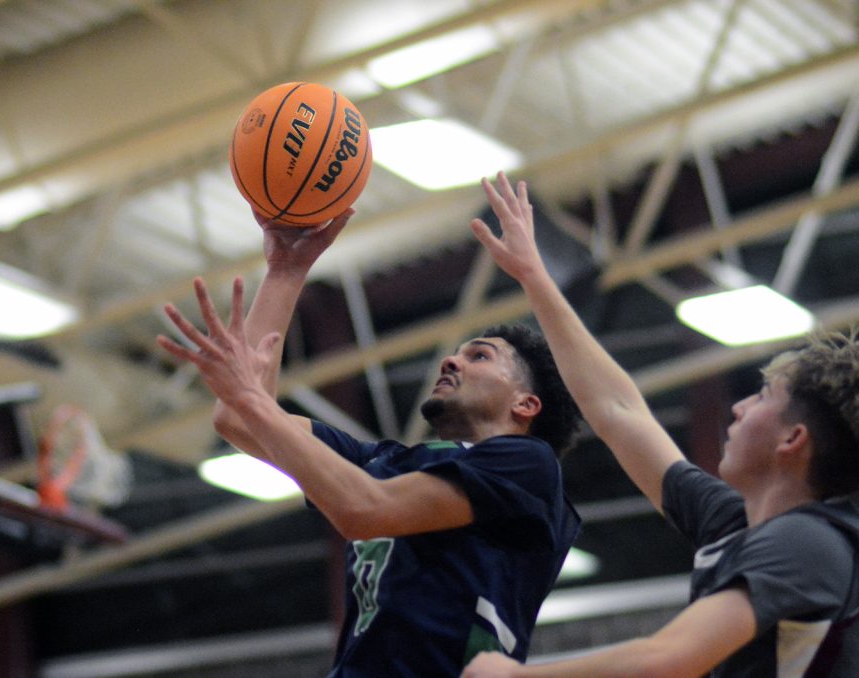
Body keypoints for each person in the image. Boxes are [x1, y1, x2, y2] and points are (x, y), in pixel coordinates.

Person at [462, 173, 859, 677]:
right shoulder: (737, 524)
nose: (738, 408)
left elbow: (668, 659)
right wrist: (535, 277)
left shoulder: (808, 543)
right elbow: (619, 412)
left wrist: (517, 676)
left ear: (793, 439)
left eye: (761, 398)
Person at [156, 209, 582, 677]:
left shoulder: (528, 466)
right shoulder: (388, 462)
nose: (450, 361)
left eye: (479, 355)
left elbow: (365, 509)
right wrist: (286, 271)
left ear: (526, 404)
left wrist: (251, 398)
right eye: (458, 351)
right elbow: (239, 420)